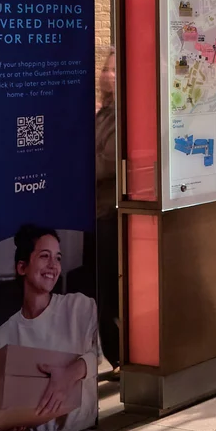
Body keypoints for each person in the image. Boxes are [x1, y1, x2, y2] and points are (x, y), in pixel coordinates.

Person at [0, 224, 100, 431]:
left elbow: (99, 355)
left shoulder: (79, 307)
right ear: (22, 267)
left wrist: (70, 374)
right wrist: (6, 422)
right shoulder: (4, 335)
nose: (53, 265)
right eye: (44, 256)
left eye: (57, 258)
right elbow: (1, 400)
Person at [92, 47, 120, 372]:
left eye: (114, 70)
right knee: (102, 289)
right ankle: (115, 355)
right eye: (104, 69)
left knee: (109, 289)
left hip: (110, 212)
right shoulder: (103, 113)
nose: (107, 76)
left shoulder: (121, 116)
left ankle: (120, 356)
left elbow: (107, 163)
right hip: (98, 210)